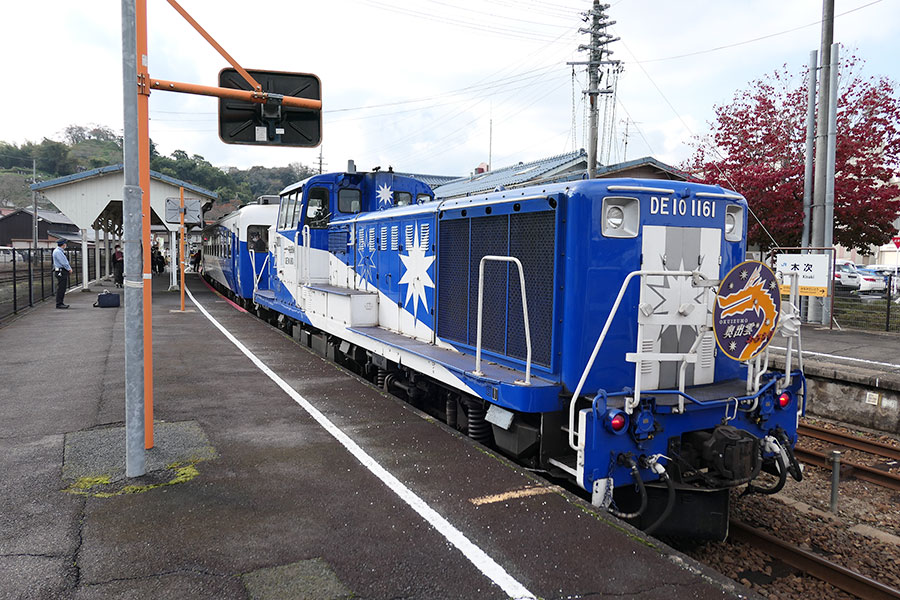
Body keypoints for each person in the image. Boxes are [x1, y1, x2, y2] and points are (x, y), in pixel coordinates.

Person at [53, 239, 73, 309]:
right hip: (61, 272)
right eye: (65, 244)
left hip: (60, 271)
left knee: (62, 288)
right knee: (61, 288)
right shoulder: (58, 252)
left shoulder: (58, 251)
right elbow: (64, 262)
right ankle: (59, 303)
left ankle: (60, 303)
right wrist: (69, 269)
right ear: (63, 244)